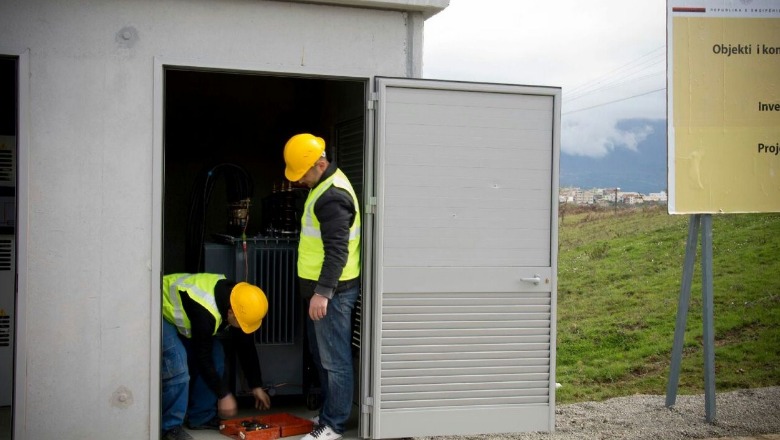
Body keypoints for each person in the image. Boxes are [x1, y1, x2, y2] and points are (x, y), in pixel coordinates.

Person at [283, 133, 361, 440]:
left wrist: (323, 292)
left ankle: (333, 426)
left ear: (320, 163)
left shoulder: (332, 196)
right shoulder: (323, 186)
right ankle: (329, 414)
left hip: (334, 293)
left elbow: (337, 251)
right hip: (325, 292)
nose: (299, 180)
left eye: (302, 173)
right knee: (322, 357)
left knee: (335, 361)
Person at [161, 273, 272, 440]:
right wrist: (223, 394)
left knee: (218, 356)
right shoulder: (205, 312)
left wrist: (255, 385)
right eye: (242, 324)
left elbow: (245, 344)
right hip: (159, 309)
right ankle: (169, 427)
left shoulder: (237, 299)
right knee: (178, 365)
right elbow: (202, 357)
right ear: (231, 312)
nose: (243, 328)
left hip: (187, 316)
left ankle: (201, 417)